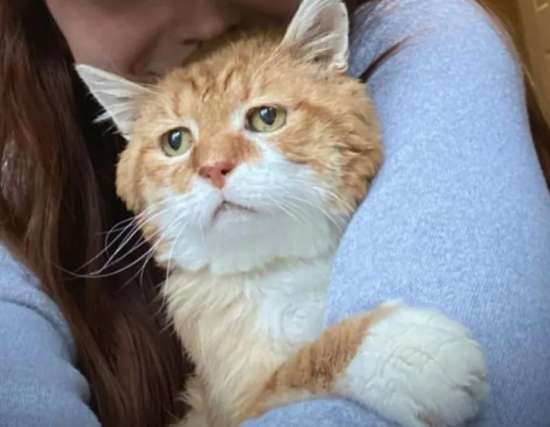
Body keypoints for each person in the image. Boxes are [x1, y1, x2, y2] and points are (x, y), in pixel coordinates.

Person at [1, 0, 549, 426]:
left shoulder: (420, 41)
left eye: (264, 116)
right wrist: (343, 364)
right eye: (175, 141)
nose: (214, 165)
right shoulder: (26, 189)